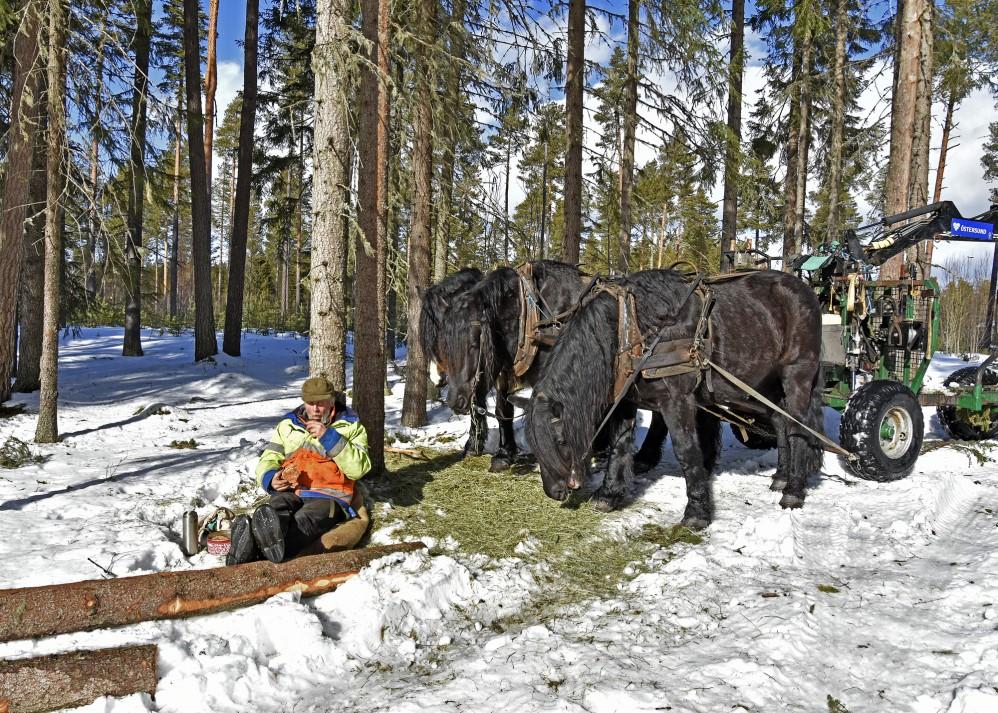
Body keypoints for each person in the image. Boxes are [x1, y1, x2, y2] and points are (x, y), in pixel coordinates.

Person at [227, 376, 373, 565]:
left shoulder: (351, 427)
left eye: (321, 403)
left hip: (328, 496)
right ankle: (255, 539)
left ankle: (249, 548)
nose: (316, 409)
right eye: (311, 403)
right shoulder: (287, 426)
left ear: (331, 401)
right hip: (291, 489)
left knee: (304, 521)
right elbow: (269, 457)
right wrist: (271, 478)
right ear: (304, 401)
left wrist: (329, 437)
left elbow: (358, 469)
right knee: (274, 511)